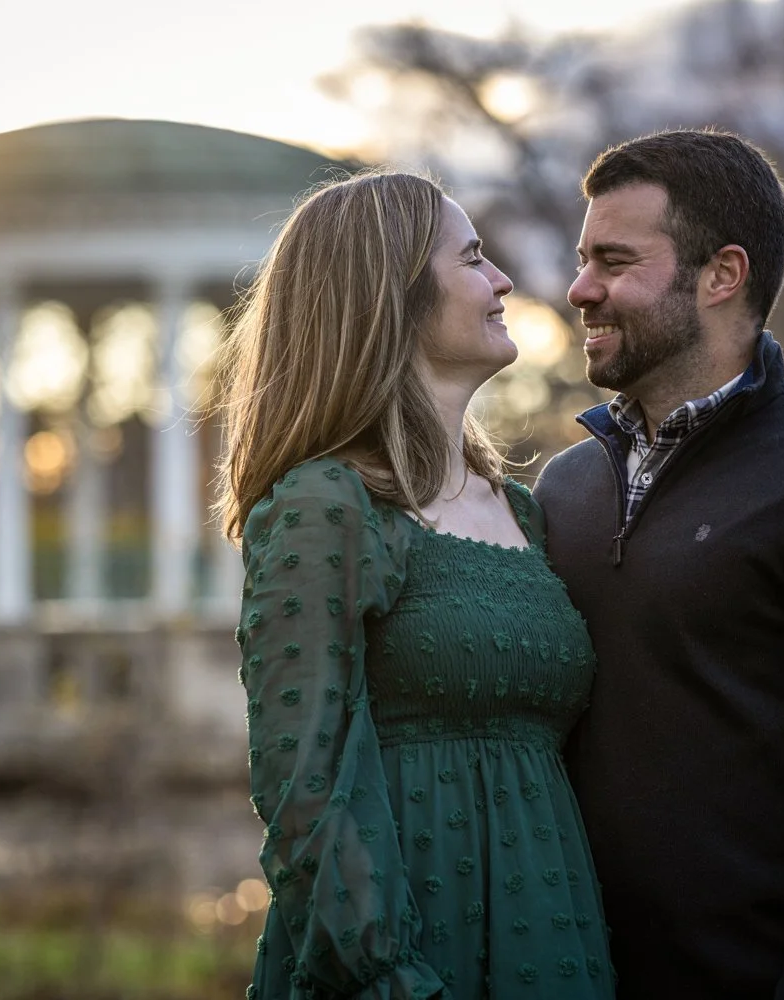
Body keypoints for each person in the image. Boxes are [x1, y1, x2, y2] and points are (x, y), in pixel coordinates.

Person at [534, 129, 784, 999]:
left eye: (614, 260)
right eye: (582, 259)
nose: (580, 289)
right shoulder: (565, 489)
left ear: (721, 275)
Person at [217, 170, 618, 1000]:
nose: (503, 279)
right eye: (473, 258)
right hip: (398, 966)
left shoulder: (520, 510)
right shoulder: (325, 504)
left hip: (553, 939)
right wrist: (389, 978)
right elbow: (302, 788)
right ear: (390, 297)